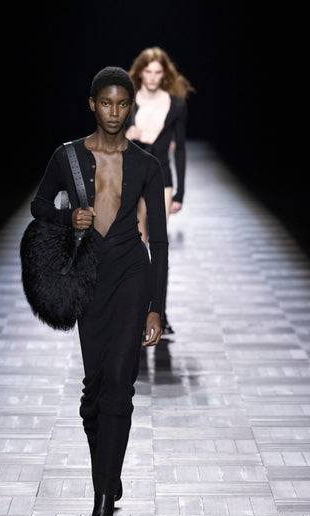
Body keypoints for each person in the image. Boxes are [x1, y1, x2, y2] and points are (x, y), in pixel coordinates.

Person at [30, 67, 168, 516]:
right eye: (105, 103)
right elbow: (39, 205)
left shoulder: (147, 165)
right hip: (88, 275)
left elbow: (159, 241)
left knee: (119, 384)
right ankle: (108, 469)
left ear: (131, 107)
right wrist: (68, 217)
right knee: (94, 391)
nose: (113, 112)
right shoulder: (67, 156)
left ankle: (103, 496)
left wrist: (156, 306)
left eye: (122, 104)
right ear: (92, 104)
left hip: (131, 271)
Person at [126, 47, 194, 334]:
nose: (153, 77)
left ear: (164, 74)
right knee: (135, 245)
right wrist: (126, 134)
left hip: (162, 179)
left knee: (158, 245)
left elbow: (180, 150)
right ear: (140, 72)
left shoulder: (176, 105)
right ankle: (136, 310)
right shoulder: (127, 102)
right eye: (148, 71)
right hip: (131, 179)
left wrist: (180, 192)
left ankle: (159, 313)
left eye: (157, 72)